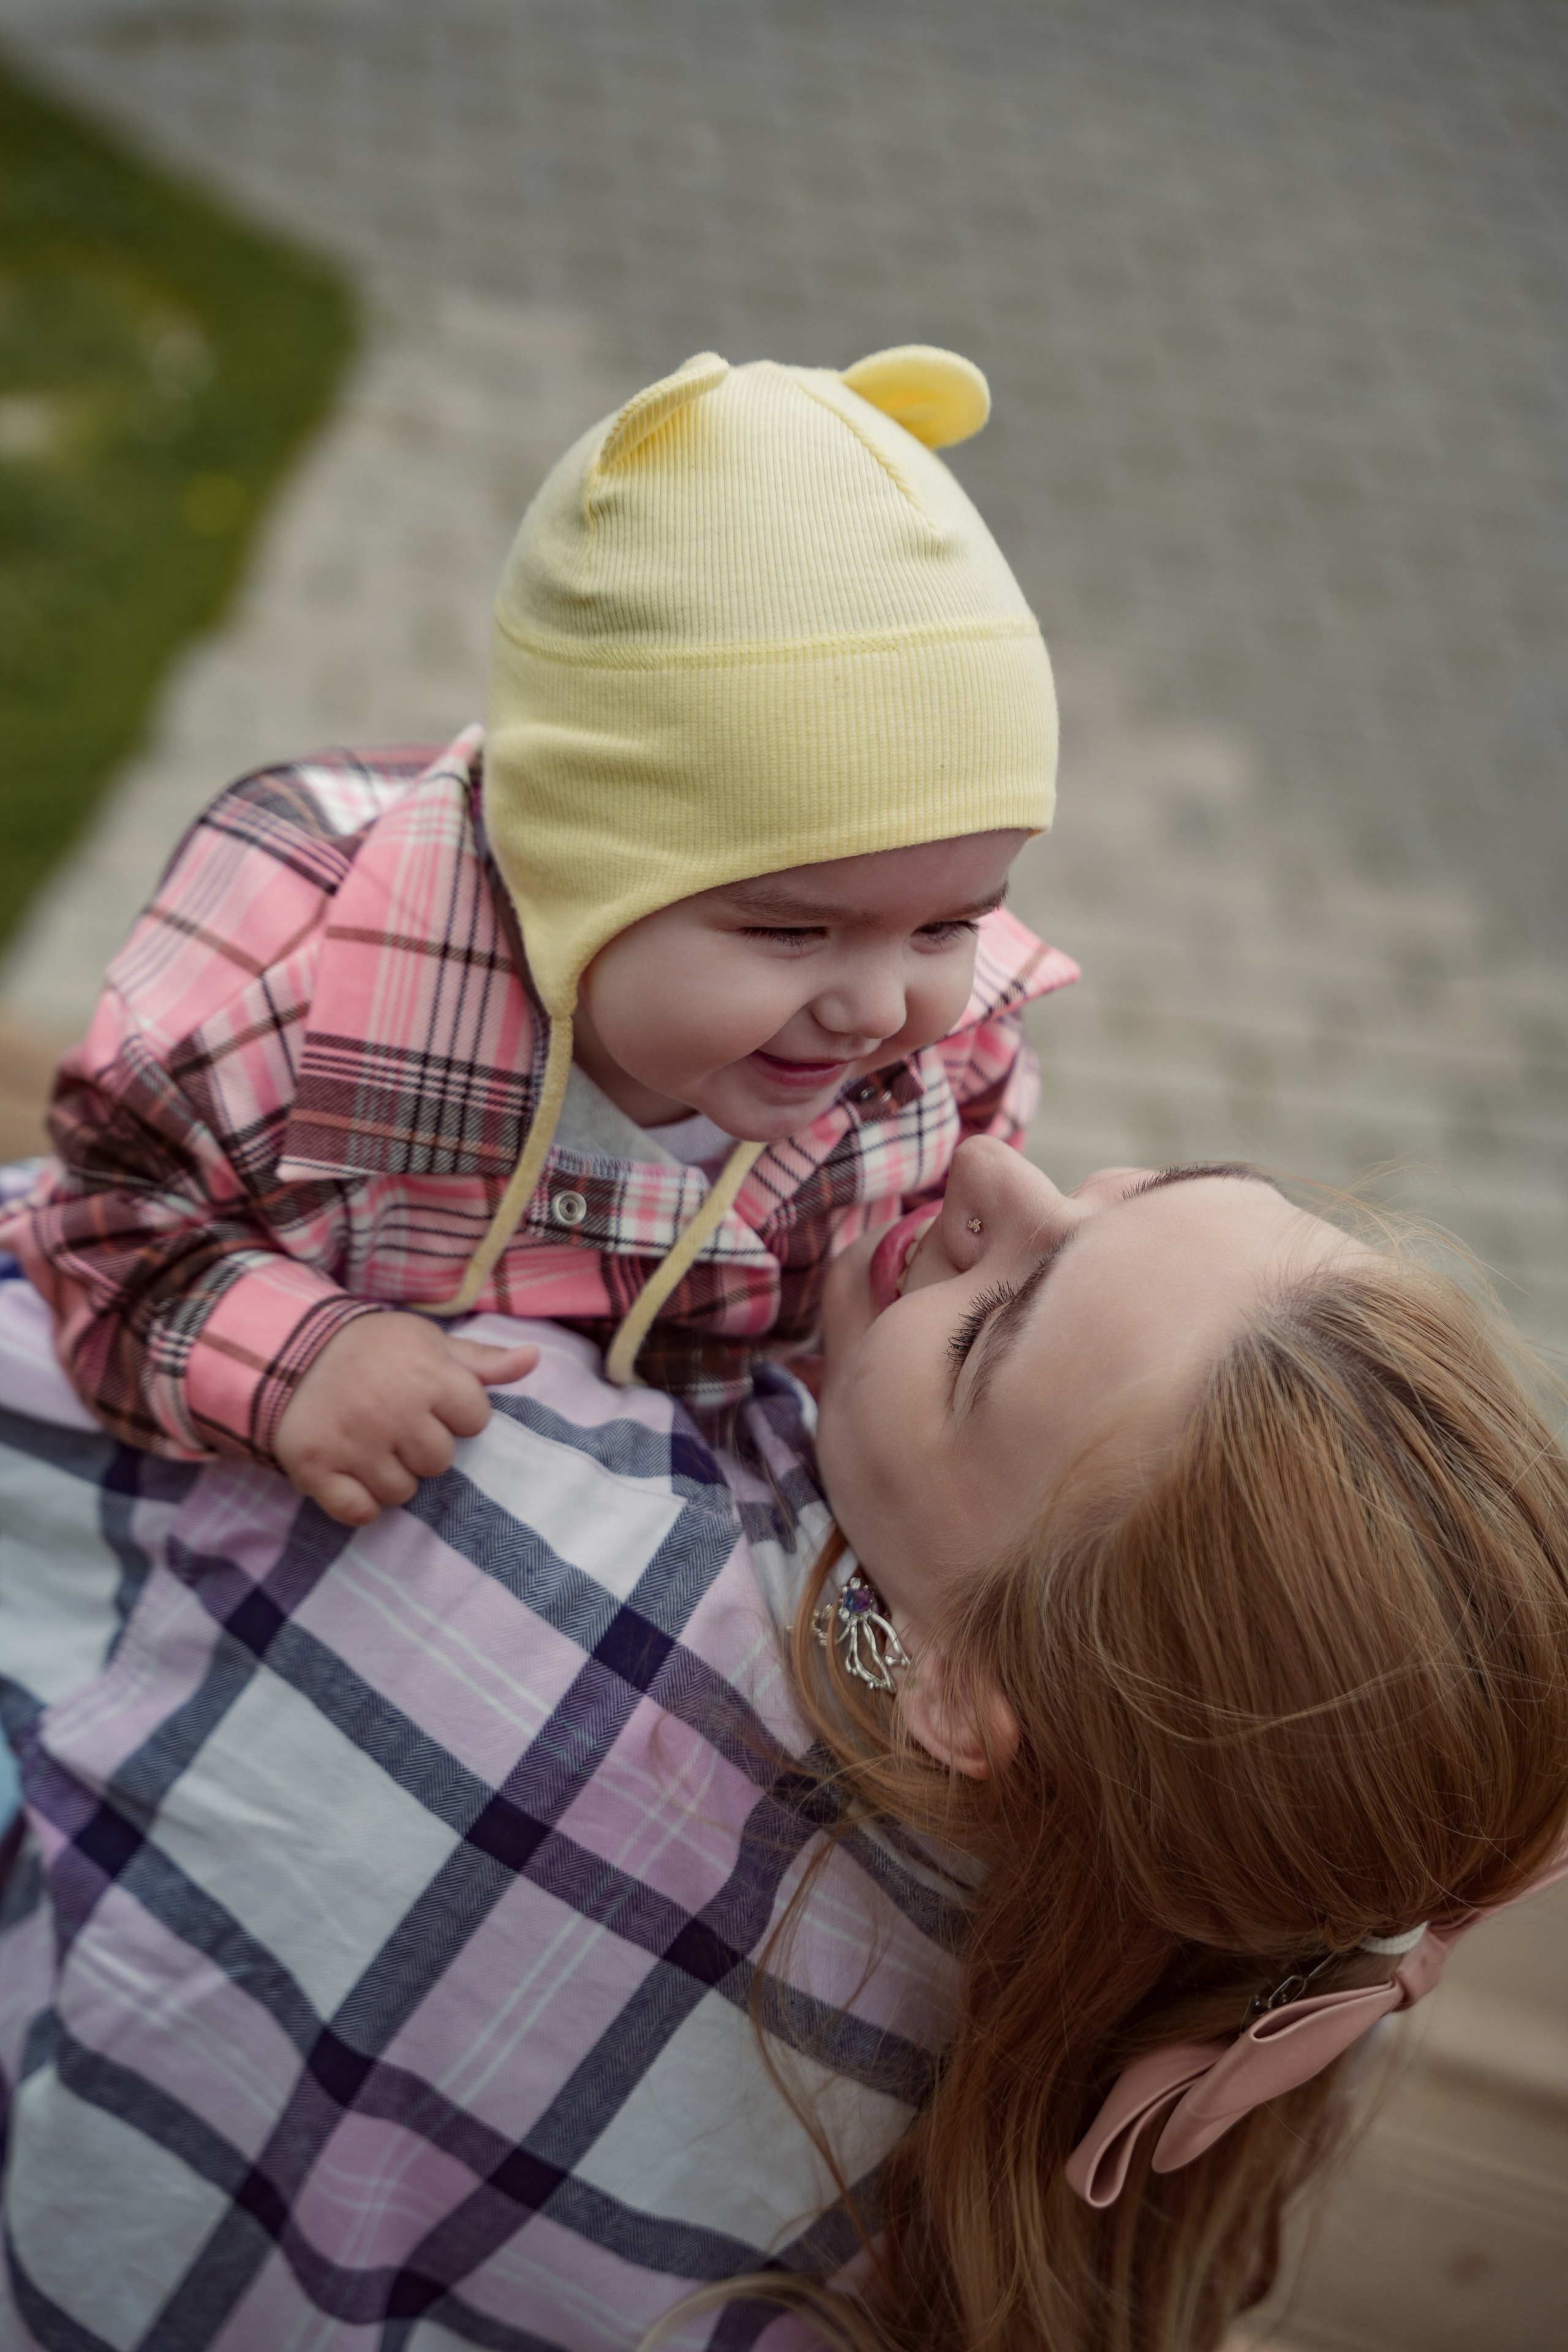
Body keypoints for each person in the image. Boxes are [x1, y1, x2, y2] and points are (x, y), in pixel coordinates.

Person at [1, 1139, 1565, 2352]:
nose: (985, 1174)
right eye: (1130, 1183)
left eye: (989, 1333)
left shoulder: (521, 1503)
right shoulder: (1186, 1951)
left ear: (957, 1696)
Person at [0, 344, 1074, 1529]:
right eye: (789, 929)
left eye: (948, 922)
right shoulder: (282, 997)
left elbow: (907, 1377)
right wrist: (292, 1356)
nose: (880, 1009)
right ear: (576, 870)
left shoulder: (948, 1078)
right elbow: (101, 1230)